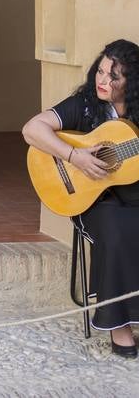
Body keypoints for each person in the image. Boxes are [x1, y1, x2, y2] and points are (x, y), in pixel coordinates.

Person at [22, 39, 139, 357]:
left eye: (114, 76)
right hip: (94, 203)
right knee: (116, 229)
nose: (103, 80)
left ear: (131, 82)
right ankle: (120, 326)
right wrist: (74, 156)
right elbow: (32, 130)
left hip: (135, 199)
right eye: (101, 71)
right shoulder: (84, 104)